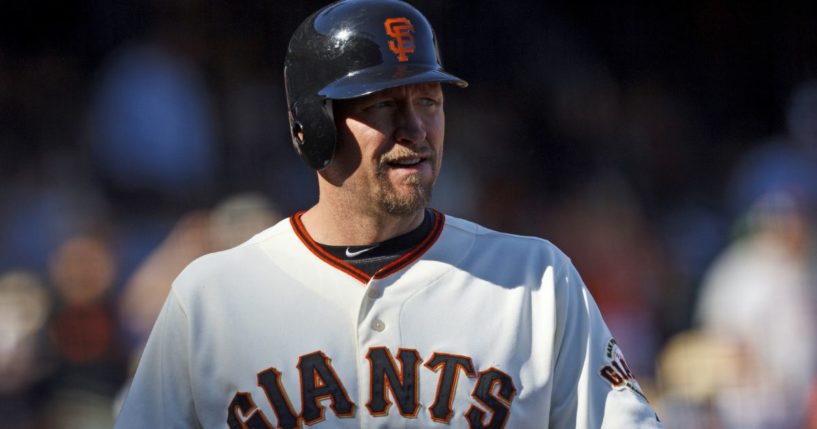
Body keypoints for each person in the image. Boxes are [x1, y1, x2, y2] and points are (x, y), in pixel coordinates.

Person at [114, 0, 663, 427]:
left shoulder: (537, 282)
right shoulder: (212, 299)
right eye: (382, 104)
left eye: (428, 101)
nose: (416, 129)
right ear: (311, 126)